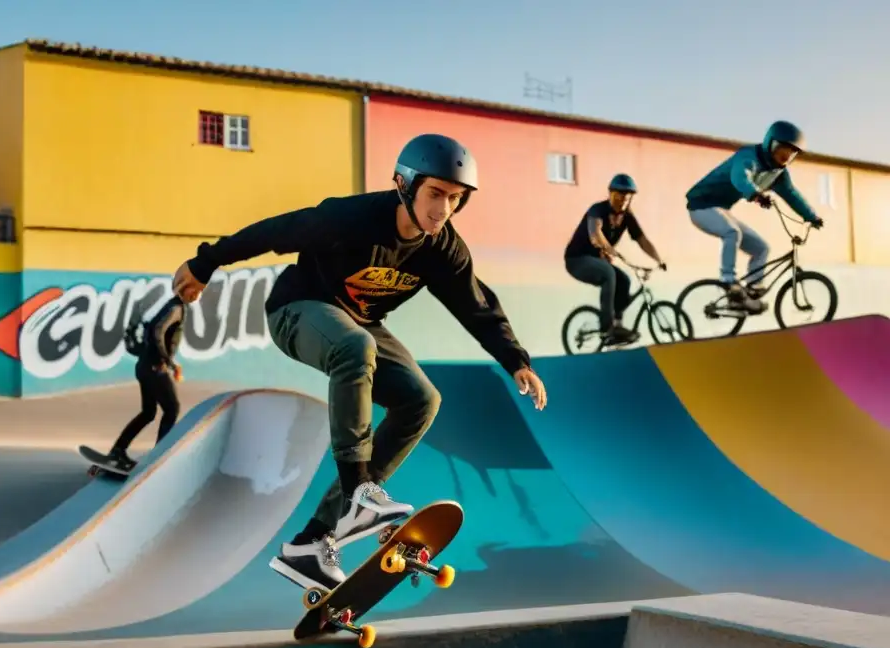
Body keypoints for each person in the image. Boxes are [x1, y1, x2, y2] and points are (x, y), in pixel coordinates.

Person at [172, 133, 547, 591]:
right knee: (356, 347)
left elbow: (476, 304)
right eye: (434, 194)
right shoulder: (349, 218)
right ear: (404, 184)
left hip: (360, 326)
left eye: (454, 199)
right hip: (296, 311)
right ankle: (358, 496)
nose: (442, 210)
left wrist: (515, 360)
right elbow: (274, 231)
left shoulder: (443, 249)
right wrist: (205, 263)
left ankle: (314, 540)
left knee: (421, 400)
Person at [685, 120, 824, 314]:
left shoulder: (778, 174)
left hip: (721, 210)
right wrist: (756, 194)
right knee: (731, 231)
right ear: (769, 143)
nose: (783, 158)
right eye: (780, 150)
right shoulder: (748, 156)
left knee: (761, 247)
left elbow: (792, 195)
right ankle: (729, 282)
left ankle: (749, 291)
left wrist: (811, 216)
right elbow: (740, 177)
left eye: (790, 155)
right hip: (701, 206)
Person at [563, 173, 665, 345]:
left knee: (623, 280)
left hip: (598, 260)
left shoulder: (627, 217)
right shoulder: (597, 210)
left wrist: (658, 260)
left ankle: (617, 324)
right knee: (608, 273)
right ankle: (607, 329)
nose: (623, 200)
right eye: (619, 195)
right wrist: (609, 250)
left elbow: (642, 240)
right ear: (610, 194)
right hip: (577, 260)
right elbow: (595, 235)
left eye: (627, 196)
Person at [105, 286, 199, 472]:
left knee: (148, 412)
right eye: (195, 292)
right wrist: (170, 362)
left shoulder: (170, 306)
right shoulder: (175, 309)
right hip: (155, 368)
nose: (197, 295)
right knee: (172, 409)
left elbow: (151, 329)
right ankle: (159, 458)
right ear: (186, 293)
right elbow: (157, 331)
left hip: (145, 366)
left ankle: (117, 451)